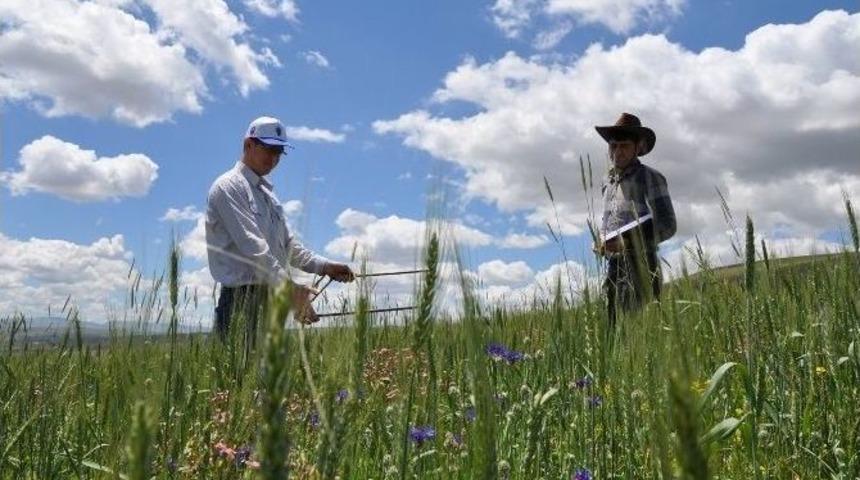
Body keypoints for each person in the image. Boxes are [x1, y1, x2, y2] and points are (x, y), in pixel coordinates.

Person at [205, 116, 354, 343]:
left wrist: (325, 267)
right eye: (269, 149)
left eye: (279, 152)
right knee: (238, 377)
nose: (274, 158)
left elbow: (288, 246)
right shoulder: (228, 187)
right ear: (248, 145)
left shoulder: (269, 197)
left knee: (265, 377)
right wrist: (291, 291)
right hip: (239, 302)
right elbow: (253, 248)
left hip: (271, 299)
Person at [593, 113, 676, 327]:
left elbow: (668, 225)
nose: (617, 151)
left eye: (624, 146)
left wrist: (625, 243)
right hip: (613, 266)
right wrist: (602, 243)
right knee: (612, 332)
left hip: (642, 266)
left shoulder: (650, 177)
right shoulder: (607, 182)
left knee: (640, 331)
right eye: (613, 146)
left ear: (638, 147)